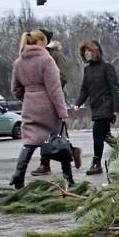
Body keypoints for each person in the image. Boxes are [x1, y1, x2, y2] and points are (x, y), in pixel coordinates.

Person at [10, 30, 72, 188]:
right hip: (48, 106)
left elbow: (15, 89)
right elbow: (55, 89)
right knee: (59, 140)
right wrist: (62, 112)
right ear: (41, 42)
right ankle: (68, 178)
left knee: (30, 142)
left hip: (30, 106)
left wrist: (29, 98)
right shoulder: (46, 60)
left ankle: (19, 175)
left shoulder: (19, 62)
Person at [32, 29, 81, 175]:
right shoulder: (37, 57)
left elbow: (63, 77)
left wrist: (50, 87)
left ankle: (67, 165)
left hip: (54, 100)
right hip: (42, 101)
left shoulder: (55, 56)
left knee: (58, 136)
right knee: (44, 134)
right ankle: (45, 164)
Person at [75, 40, 119, 176]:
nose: (86, 53)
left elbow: (115, 88)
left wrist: (116, 108)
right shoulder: (87, 70)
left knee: (97, 133)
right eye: (84, 51)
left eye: (89, 50)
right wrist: (78, 103)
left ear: (95, 51)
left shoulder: (107, 67)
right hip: (96, 107)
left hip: (106, 106)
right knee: (106, 136)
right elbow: (85, 90)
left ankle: (96, 163)